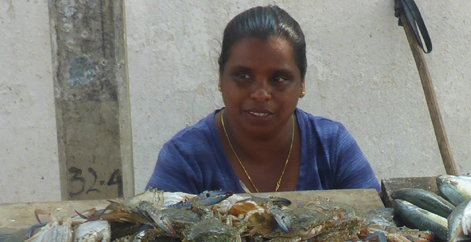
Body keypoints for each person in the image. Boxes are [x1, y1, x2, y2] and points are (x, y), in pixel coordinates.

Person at [145, 6, 380, 194]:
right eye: (243, 76)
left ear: (302, 83)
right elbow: (151, 241)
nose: (260, 94)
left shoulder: (331, 147)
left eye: (278, 78)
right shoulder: (185, 157)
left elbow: (377, 230)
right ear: (220, 76)